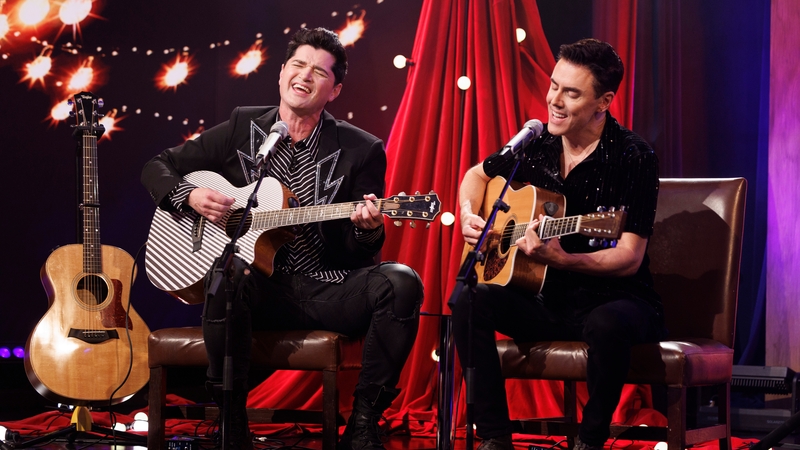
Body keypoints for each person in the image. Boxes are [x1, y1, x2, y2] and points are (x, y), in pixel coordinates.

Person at [141, 27, 424, 450]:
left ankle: (364, 421)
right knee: (227, 273)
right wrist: (191, 196)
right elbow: (157, 166)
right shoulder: (243, 125)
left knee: (402, 282)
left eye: (319, 72)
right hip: (255, 290)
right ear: (281, 74)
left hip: (325, 289)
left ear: (335, 90)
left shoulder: (361, 149)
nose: (305, 76)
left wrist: (368, 230)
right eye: (298, 65)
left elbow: (358, 253)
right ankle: (232, 422)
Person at [453, 38, 667, 450]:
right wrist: (467, 214)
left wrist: (563, 259)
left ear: (603, 101)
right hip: (548, 300)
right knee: (468, 299)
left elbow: (629, 257)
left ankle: (590, 442)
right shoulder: (537, 145)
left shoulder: (634, 156)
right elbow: (476, 176)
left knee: (606, 324)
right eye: (554, 86)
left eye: (571, 93)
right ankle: (494, 436)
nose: (554, 100)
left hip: (617, 300)